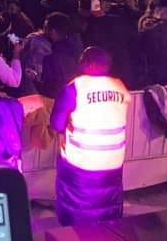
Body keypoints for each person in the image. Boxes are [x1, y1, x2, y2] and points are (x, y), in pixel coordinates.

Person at [51, 47, 130, 227]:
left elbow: (56, 123)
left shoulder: (75, 88)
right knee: (108, 204)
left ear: (86, 63)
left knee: (78, 208)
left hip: (81, 164)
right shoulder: (120, 86)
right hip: (114, 162)